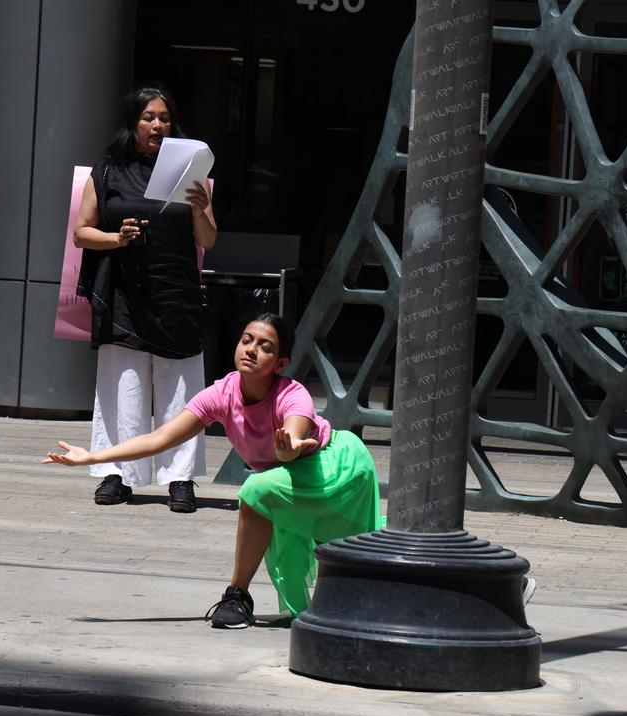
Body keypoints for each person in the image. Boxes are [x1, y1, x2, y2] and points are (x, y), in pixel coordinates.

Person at [44, 314, 384, 628]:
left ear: (280, 363)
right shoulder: (222, 393)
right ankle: (242, 598)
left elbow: (293, 437)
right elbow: (160, 437)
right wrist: (92, 458)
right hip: (293, 472)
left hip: (337, 465)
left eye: (265, 346)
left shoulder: (292, 395)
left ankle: (245, 595)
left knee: (299, 520)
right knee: (263, 493)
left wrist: (287, 448)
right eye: (247, 340)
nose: (251, 349)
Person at [73, 85, 216, 513]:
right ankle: (117, 473)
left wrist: (200, 207)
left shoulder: (190, 169)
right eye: (149, 117)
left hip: (175, 289)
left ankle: (180, 478)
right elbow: (82, 232)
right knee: (124, 386)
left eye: (165, 118)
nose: (158, 125)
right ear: (133, 123)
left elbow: (208, 238)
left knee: (181, 387)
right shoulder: (107, 171)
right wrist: (117, 238)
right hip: (124, 290)